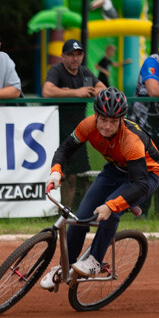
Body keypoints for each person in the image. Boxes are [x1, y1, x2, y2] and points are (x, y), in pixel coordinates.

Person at [38, 88, 159, 290]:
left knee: (111, 211)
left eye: (113, 121)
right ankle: (65, 266)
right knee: (81, 217)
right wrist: (55, 172)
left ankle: (95, 261)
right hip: (115, 169)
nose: (107, 126)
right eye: (103, 119)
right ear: (95, 115)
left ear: (121, 119)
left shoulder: (131, 140)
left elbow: (139, 185)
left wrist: (112, 206)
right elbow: (65, 149)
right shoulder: (88, 125)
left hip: (145, 176)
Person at [41, 39, 104, 207]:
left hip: (78, 131)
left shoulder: (85, 72)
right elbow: (47, 91)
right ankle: (52, 209)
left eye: (79, 54)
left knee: (74, 176)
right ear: (63, 56)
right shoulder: (56, 70)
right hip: (56, 130)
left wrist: (88, 91)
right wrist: (76, 93)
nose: (75, 58)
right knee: (58, 173)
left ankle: (67, 210)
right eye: (71, 55)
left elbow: (103, 89)